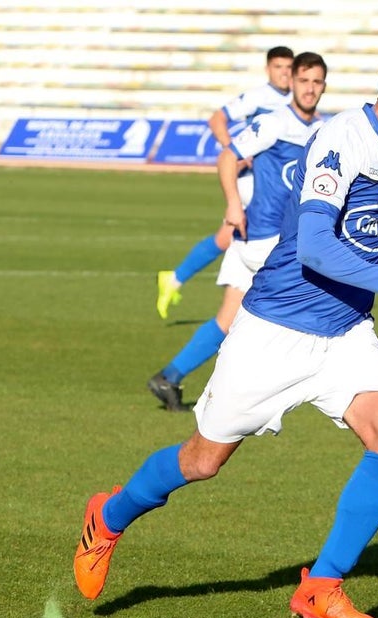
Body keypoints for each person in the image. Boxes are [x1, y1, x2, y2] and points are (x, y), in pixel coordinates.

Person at [75, 41, 378, 618]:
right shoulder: (340, 140)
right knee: (203, 460)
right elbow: (314, 246)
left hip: (345, 331)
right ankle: (109, 517)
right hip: (275, 329)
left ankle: (322, 585)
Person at [147, 52, 329, 412]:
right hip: (266, 240)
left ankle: (169, 377)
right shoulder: (275, 122)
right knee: (308, 305)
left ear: (324, 86)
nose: (310, 89)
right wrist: (233, 204)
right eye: (304, 81)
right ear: (290, 82)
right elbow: (228, 156)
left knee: (228, 320)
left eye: (316, 82)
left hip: (263, 241)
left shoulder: (322, 129)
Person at [155, 46, 295, 320]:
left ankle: (175, 279)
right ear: (268, 69)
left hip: (274, 183)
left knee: (226, 236)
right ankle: (250, 307)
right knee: (249, 235)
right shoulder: (259, 97)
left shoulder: (298, 100)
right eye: (278, 67)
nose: (284, 73)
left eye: (289, 68)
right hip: (253, 182)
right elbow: (217, 118)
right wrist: (234, 151)